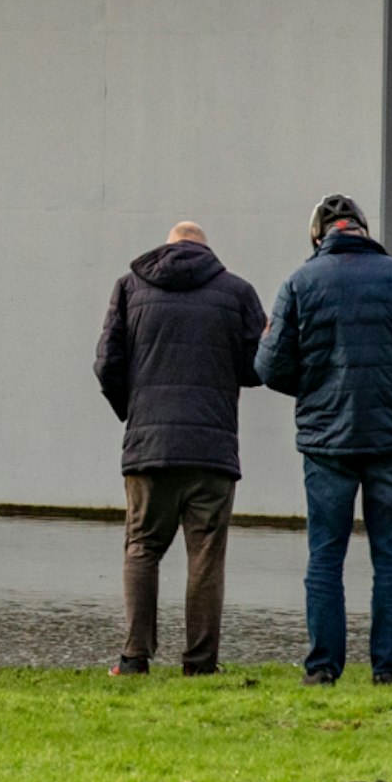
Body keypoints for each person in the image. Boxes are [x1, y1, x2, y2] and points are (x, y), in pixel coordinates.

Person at [257, 193, 392, 687]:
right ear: (364, 230)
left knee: (325, 555)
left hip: (327, 440)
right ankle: (390, 671)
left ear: (318, 236)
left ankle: (323, 667)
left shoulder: (300, 282)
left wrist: (316, 384)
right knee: (391, 557)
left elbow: (269, 367)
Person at [94, 218, 266, 678]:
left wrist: (133, 411)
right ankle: (200, 663)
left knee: (142, 547)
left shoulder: (129, 287)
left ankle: (134, 659)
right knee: (206, 555)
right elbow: (259, 367)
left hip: (149, 445)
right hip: (212, 446)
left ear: (166, 247)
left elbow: (106, 362)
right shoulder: (238, 292)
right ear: (206, 250)